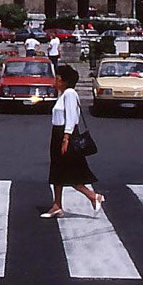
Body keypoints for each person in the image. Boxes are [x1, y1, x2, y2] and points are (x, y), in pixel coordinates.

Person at [42, 65, 103, 218]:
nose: (55, 80)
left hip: (65, 134)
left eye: (57, 78)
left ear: (63, 81)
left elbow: (71, 118)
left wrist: (66, 138)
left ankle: (93, 196)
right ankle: (57, 205)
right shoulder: (62, 94)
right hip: (57, 134)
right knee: (57, 170)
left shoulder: (70, 94)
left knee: (71, 171)